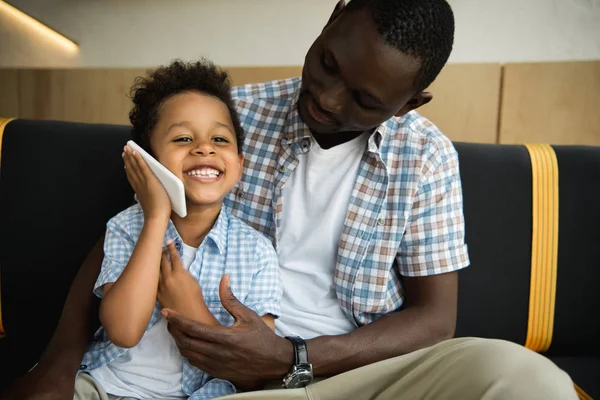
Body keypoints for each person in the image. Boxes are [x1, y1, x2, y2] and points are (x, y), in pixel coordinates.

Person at [1, 1, 578, 399]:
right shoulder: (231, 119)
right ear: (330, 19)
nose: (325, 99)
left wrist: (295, 358)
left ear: (408, 104)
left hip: (356, 376)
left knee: (526, 379)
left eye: (364, 99)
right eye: (327, 63)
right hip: (223, 382)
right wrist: (55, 366)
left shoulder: (426, 158)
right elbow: (127, 232)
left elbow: (436, 318)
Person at [74, 60, 282, 400]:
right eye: (183, 138)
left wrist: (191, 309)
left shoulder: (257, 251)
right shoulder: (127, 227)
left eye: (219, 138)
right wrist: (156, 218)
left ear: (240, 165)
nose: (204, 147)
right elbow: (124, 331)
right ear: (147, 159)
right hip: (106, 388)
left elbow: (253, 370)